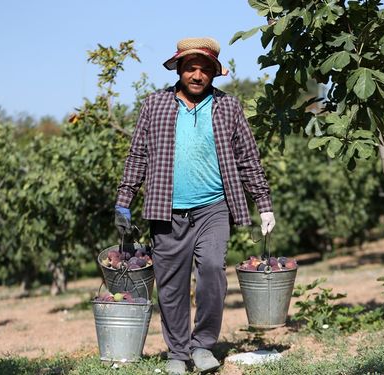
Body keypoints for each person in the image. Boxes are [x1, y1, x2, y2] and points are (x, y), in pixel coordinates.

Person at [114, 37, 275, 374]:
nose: (197, 75)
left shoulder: (227, 107)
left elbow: (248, 158)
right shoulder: (154, 105)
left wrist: (263, 204)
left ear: (214, 74)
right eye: (191, 68)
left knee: (213, 271)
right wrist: (124, 202)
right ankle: (177, 352)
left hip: (214, 207)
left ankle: (203, 345)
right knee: (171, 285)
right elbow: (137, 157)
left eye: (205, 69)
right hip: (166, 210)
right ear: (179, 69)